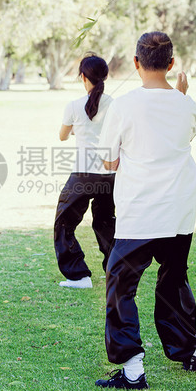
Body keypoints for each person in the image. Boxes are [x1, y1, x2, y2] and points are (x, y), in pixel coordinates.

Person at [94, 31, 196, 389]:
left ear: (136, 62)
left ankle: (133, 370)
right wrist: (181, 96)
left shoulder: (123, 106)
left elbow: (109, 163)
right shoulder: (188, 104)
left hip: (141, 212)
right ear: (171, 64)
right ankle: (189, 353)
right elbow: (180, 134)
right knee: (174, 278)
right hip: (179, 210)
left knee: (120, 285)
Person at [53, 55, 116, 289]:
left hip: (83, 173)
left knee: (64, 224)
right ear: (105, 77)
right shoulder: (116, 105)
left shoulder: (73, 106)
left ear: (83, 77)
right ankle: (115, 274)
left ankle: (79, 276)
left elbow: (61, 135)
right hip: (110, 174)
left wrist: (77, 130)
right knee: (106, 224)